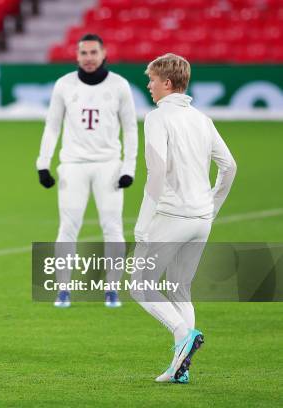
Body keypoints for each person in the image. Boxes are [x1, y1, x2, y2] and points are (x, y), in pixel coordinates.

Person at [131, 53, 236, 383]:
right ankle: (180, 369)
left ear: (167, 83)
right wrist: (212, 207)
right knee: (179, 288)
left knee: (140, 285)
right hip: (201, 219)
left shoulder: (157, 118)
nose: (148, 85)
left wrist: (143, 221)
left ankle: (182, 335)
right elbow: (229, 167)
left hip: (171, 216)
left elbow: (157, 170)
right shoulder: (201, 118)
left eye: (151, 79)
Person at [36, 33, 138, 308]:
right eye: (84, 53)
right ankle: (63, 290)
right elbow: (52, 126)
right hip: (73, 164)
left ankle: (112, 290)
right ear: (77, 56)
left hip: (109, 165)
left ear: (104, 54)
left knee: (112, 227)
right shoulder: (64, 85)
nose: (89, 58)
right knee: (68, 227)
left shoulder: (119, 85)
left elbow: (130, 128)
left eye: (94, 53)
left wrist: (129, 166)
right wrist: (42, 163)